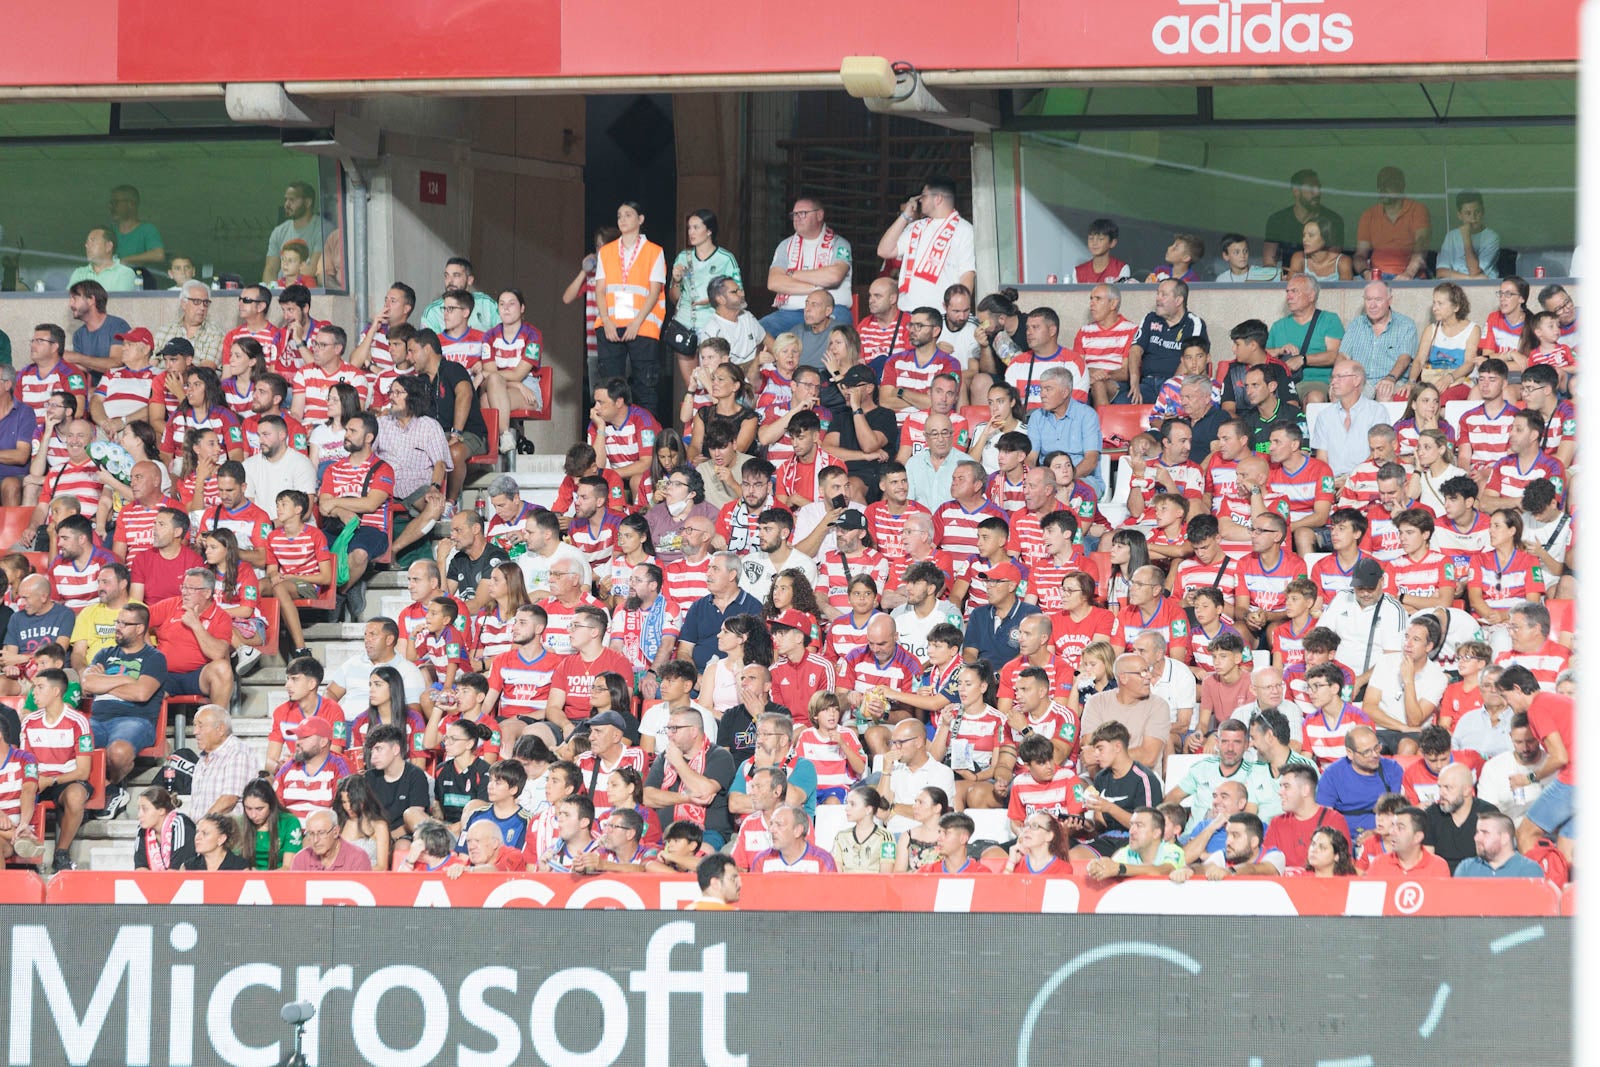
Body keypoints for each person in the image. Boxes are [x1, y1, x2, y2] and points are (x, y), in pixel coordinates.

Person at [80, 603, 168, 821]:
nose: (117, 627)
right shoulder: (104, 653)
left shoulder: (154, 658)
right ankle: (98, 793)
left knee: (118, 753)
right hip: (98, 719)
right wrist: (125, 679)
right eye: (117, 622)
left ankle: (112, 786)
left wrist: (105, 682)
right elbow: (88, 685)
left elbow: (141, 694)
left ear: (139, 629)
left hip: (135, 720)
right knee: (72, 746)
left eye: (124, 623)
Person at [1495, 665, 1574, 859]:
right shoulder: (1556, 700)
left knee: (1525, 833)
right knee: (1567, 847)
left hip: (1574, 780)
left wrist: (1528, 778)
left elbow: (1559, 757)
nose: (1506, 703)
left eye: (1505, 696)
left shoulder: (1537, 709)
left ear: (1517, 689)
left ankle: (1537, 888)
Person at [20, 668, 93, 870]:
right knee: (21, 787)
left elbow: (83, 772)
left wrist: (50, 781)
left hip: (66, 780)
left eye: (39, 687)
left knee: (76, 795)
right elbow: (26, 763)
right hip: (37, 779)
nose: (33, 693)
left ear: (56, 691)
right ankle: (24, 846)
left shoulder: (78, 721)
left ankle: (61, 854)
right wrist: (35, 780)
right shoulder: (29, 721)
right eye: (34, 687)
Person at [643, 705, 737, 849]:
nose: (669, 734)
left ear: (693, 731)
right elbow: (647, 797)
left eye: (674, 728)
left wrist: (678, 763)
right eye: (668, 728)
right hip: (666, 833)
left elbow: (703, 791)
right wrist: (686, 797)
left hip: (705, 834)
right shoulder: (665, 757)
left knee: (698, 856)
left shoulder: (719, 756)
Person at [877, 175, 976, 310]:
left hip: (940, 312)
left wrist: (959, 311)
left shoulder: (964, 229)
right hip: (906, 309)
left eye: (924, 196)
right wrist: (905, 216)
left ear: (938, 198)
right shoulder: (916, 226)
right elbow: (884, 250)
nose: (920, 200)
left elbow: (967, 273)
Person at [763, 194, 853, 336]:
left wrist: (793, 274)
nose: (797, 218)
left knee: (839, 335)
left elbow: (834, 276)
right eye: (794, 214)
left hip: (830, 310)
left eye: (803, 213)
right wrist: (818, 287)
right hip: (790, 313)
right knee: (758, 330)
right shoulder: (785, 246)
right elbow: (774, 282)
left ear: (819, 215)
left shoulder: (839, 243)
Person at [1315, 726, 1404, 835]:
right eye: (1367, 752)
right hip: (1345, 838)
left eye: (1377, 748)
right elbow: (1324, 818)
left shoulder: (1392, 769)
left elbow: (1399, 814)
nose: (1375, 755)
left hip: (1384, 836)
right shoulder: (1332, 775)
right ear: (1350, 753)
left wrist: (1374, 834)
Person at [1262, 764, 1349, 870]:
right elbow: (1267, 865)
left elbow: (1343, 865)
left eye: (1286, 786)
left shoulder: (1334, 820)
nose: (1280, 792)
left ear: (1305, 790)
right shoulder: (1276, 823)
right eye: (1281, 786)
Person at [1355, 166, 1431, 280]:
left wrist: (1408, 273)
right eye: (1379, 184)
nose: (1382, 188)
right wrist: (1366, 273)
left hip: (1411, 275)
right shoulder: (1369, 214)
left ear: (1401, 186)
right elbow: (1360, 255)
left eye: (1387, 183)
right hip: (1376, 276)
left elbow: (1421, 246)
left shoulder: (1417, 210)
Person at [1263, 168, 1345, 268]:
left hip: (1322, 281)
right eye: (1311, 188)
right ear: (1296, 191)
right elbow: (1269, 262)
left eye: (1318, 187)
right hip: (1288, 281)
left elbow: (1333, 263)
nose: (1317, 192)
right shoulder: (1277, 220)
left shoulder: (1333, 220)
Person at [1083, 806, 1185, 879]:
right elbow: (1111, 868)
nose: (1131, 831)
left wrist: (1120, 869)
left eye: (1139, 825)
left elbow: (1163, 871)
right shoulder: (1125, 852)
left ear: (1156, 833)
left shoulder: (1173, 850)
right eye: (1131, 825)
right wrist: (1098, 867)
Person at [187, 704, 253, 817]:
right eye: (195, 726)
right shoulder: (203, 757)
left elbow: (229, 800)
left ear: (220, 729)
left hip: (226, 831)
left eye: (200, 726)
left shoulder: (237, 753)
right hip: (203, 831)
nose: (195, 732)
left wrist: (202, 825)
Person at [1361, 805, 1449, 878]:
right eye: (1393, 826)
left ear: (1417, 837)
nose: (1392, 832)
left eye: (1400, 828)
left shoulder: (1438, 866)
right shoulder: (1379, 863)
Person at [1454, 811, 1544, 878]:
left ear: (1504, 838)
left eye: (1485, 833)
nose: (1476, 838)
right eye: (1477, 832)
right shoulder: (1466, 868)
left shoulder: (1529, 870)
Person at [1434, 190, 1500, 280]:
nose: (1473, 217)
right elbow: (1441, 272)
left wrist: (1466, 237)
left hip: (1483, 286)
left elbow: (1474, 271)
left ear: (1483, 212)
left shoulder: (1492, 237)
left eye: (1477, 212)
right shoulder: (1451, 236)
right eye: (1468, 213)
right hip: (1458, 284)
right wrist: (1469, 278)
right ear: (1460, 215)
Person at [241, 778, 302, 870]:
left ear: (271, 805)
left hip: (278, 880)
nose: (253, 815)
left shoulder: (289, 822)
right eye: (248, 808)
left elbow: (288, 868)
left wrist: (260, 876)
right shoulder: (240, 823)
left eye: (259, 809)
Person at [132, 787, 195, 871]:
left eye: (145, 809)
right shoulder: (142, 829)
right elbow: (140, 869)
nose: (139, 815)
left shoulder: (180, 824)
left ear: (161, 810)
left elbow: (177, 871)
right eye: (139, 809)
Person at [290, 809, 372, 872]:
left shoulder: (357, 858)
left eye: (321, 833)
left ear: (335, 832)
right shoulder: (301, 859)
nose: (315, 840)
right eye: (311, 834)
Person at [68, 227, 140, 292]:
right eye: (87, 242)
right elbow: (70, 302)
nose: (87, 245)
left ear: (108, 246)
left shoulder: (125, 273)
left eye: (92, 241)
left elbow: (118, 304)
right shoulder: (79, 273)